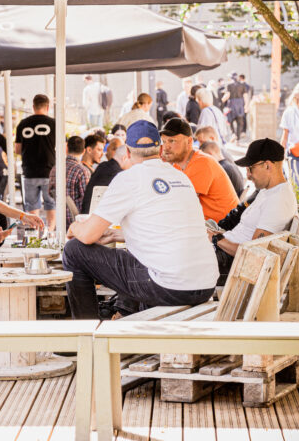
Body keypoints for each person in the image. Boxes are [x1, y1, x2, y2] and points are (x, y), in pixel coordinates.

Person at [62, 120, 217, 318]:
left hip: (170, 287)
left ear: (127, 151)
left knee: (74, 251)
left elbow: (88, 236)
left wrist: (75, 227)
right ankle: (122, 318)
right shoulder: (181, 177)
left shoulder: (128, 178)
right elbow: (169, 230)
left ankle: (86, 334)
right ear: (160, 149)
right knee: (141, 260)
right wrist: (119, 235)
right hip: (205, 283)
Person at [210, 138, 297, 280]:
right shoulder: (268, 191)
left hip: (230, 263)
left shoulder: (278, 200)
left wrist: (216, 239)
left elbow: (254, 253)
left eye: (251, 169)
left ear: (268, 166)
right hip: (225, 253)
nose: (248, 176)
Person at [159, 117, 238, 222]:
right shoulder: (178, 165)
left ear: (189, 141)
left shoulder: (202, 163)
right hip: (208, 226)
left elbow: (181, 206)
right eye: (164, 141)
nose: (166, 147)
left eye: (172, 141)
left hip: (224, 228)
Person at [15, 94, 56, 229]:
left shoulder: (23, 124)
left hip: (29, 171)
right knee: (51, 204)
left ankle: (35, 234)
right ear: (48, 107)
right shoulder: (53, 123)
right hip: (49, 171)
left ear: (33, 107)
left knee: (32, 205)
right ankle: (50, 233)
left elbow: (17, 149)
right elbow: (62, 148)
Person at [81, 137, 129, 213]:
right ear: (125, 158)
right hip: (95, 217)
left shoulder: (103, 166)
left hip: (89, 214)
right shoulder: (117, 173)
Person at [48, 135, 89, 225]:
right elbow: (86, 199)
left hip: (60, 218)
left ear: (66, 149)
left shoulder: (55, 168)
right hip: (78, 220)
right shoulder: (82, 171)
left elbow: (50, 192)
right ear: (84, 151)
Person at [224, 72, 248, 139]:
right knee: (240, 122)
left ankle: (233, 134)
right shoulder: (242, 85)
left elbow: (227, 95)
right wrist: (246, 105)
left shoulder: (229, 85)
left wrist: (222, 100)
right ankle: (238, 138)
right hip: (240, 104)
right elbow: (245, 96)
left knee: (230, 120)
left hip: (232, 104)